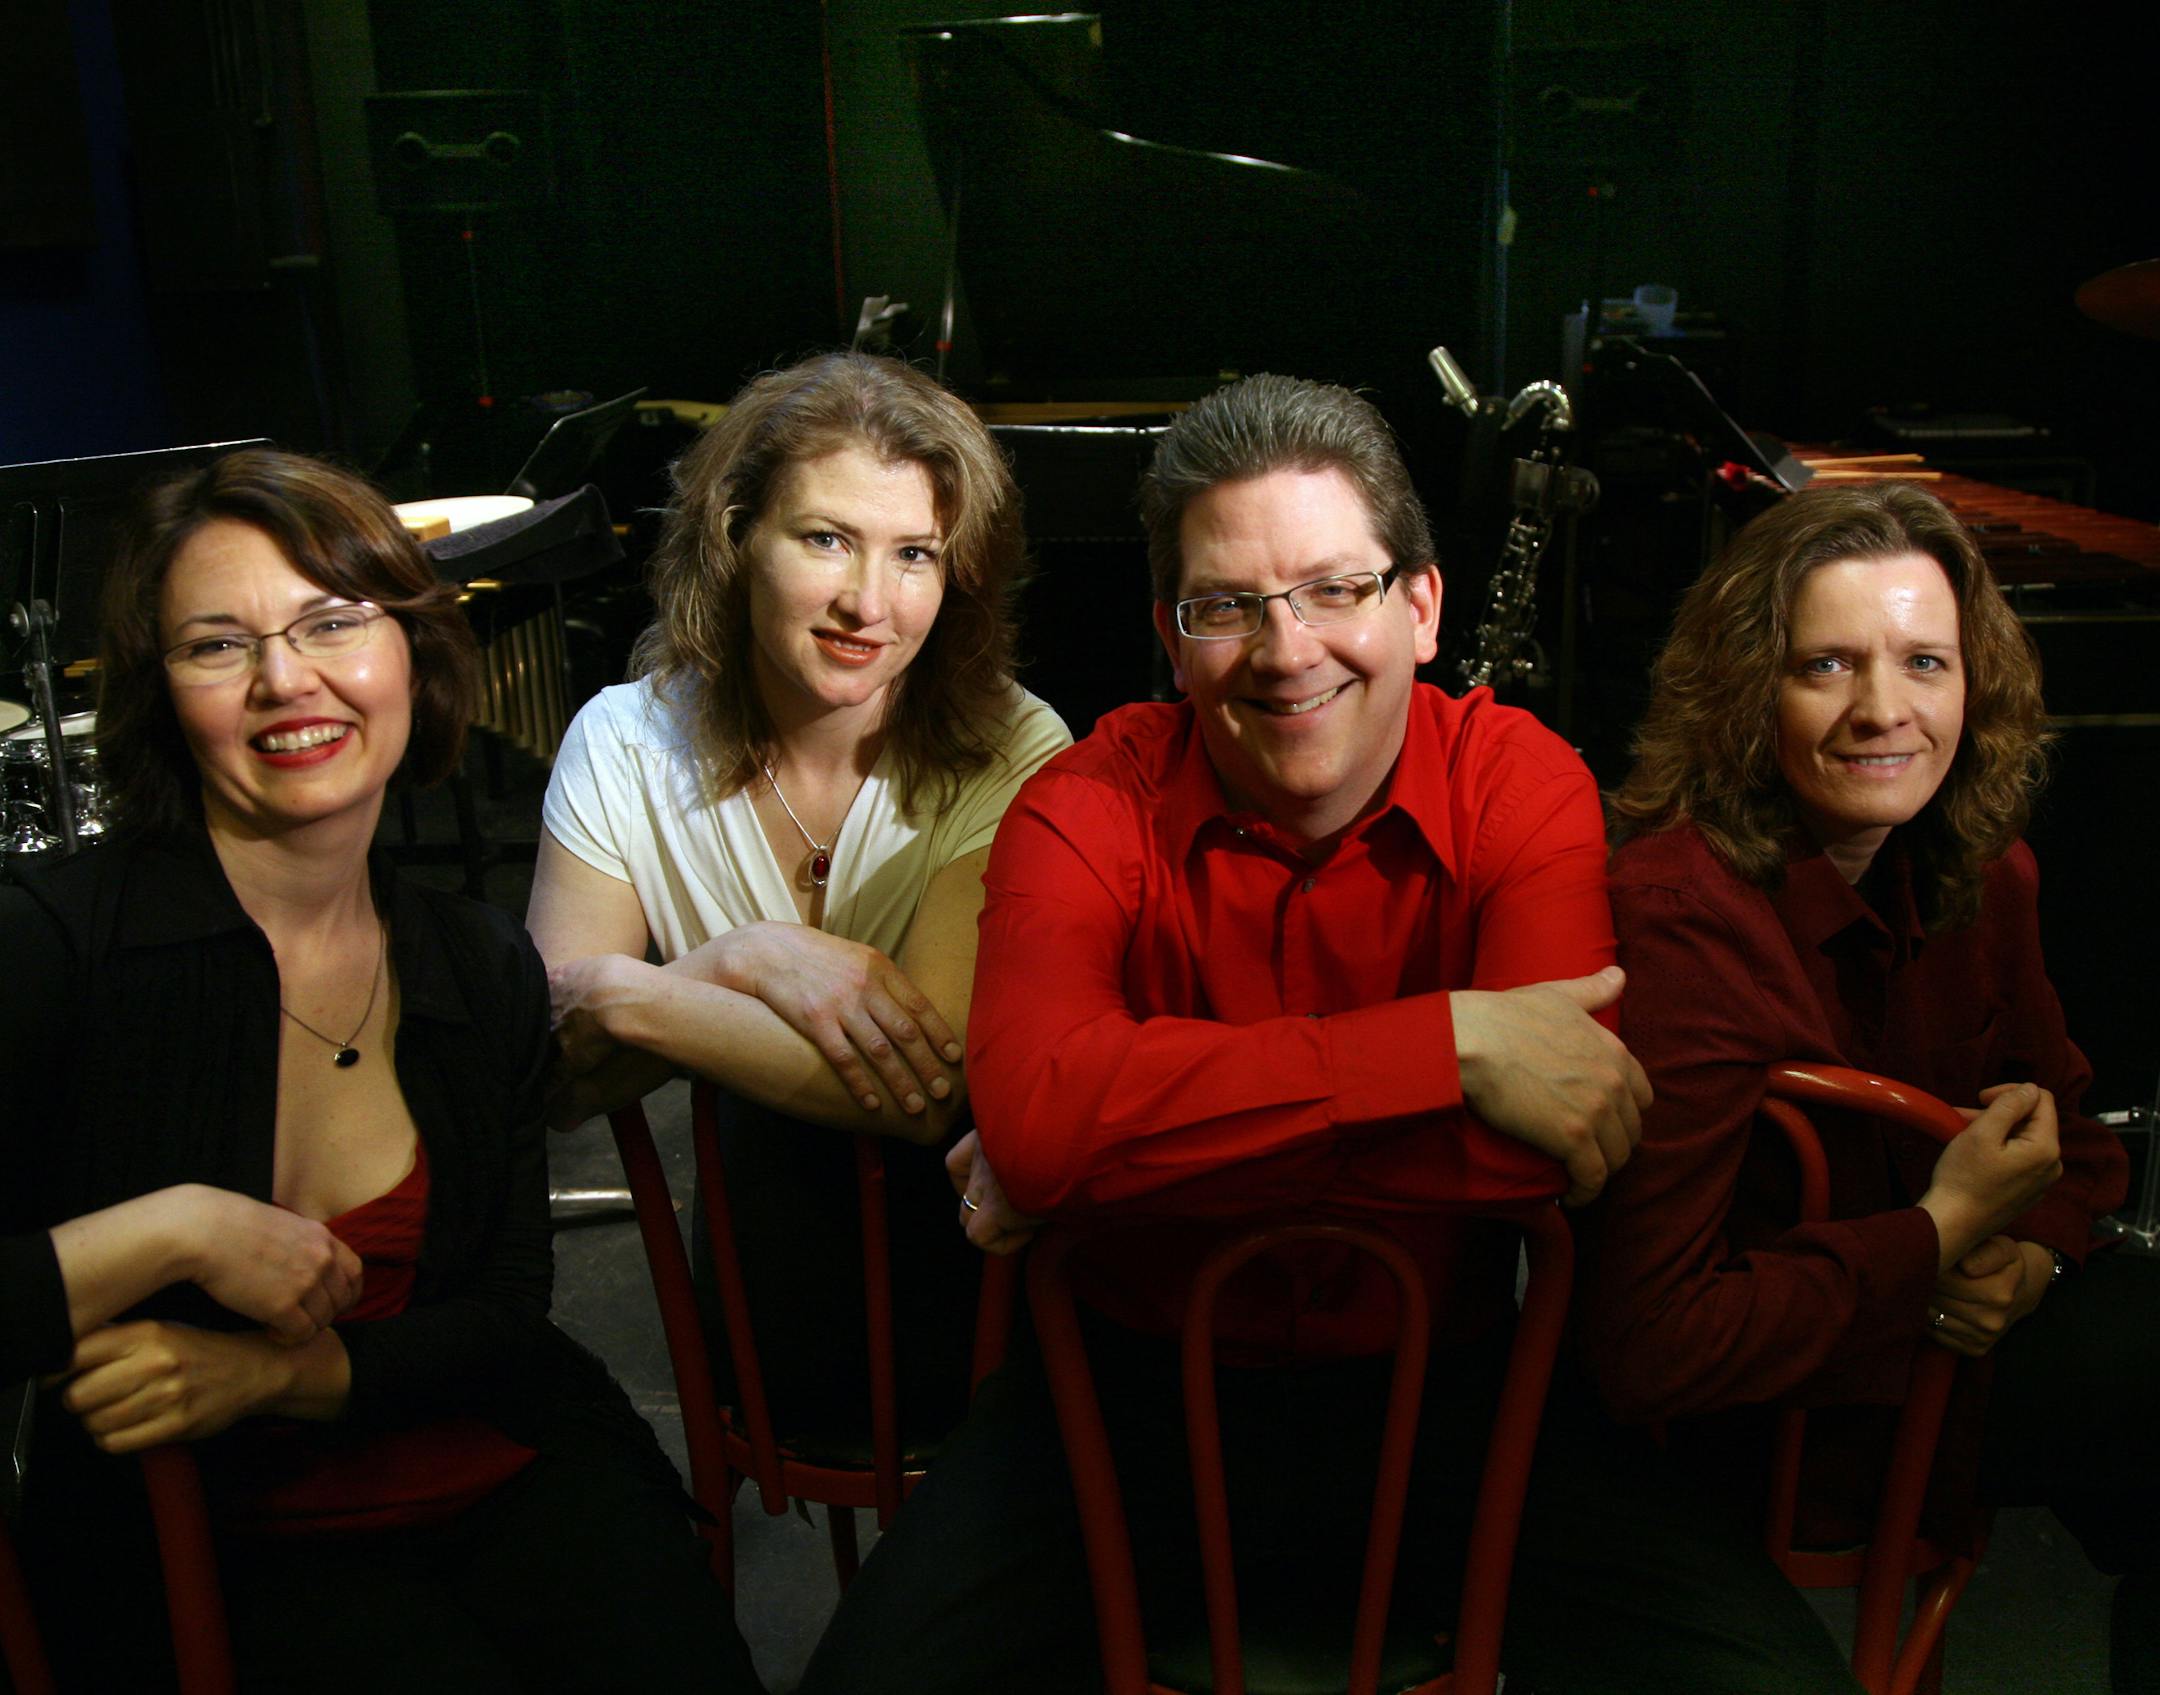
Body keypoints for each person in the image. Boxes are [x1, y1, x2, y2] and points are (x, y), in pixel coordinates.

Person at [800, 373, 1868, 1695]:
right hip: (1116, 1401)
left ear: (1420, 606)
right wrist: (1453, 1048)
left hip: (1460, 1402)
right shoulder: (1082, 801)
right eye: (1226, 606)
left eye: (1332, 588)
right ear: (1169, 635)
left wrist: (1107, 1149)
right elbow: (1037, 1115)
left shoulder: (1519, 779)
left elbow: (1541, 1156)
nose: (1285, 647)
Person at [0, 449, 757, 1692]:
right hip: (211, 1551)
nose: (285, 680)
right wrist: (168, 1235)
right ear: (158, 695)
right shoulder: (50, 949)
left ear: (411, 652)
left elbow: (507, 1321)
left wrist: (274, 1373)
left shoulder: (472, 960)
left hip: (496, 1470)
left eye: (332, 623)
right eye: (216, 645)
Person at [1592, 481, 2156, 1689]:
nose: (1884, 712)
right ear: (1750, 694)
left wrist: (2031, 1254)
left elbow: (2075, 1141)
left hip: (1931, 1371)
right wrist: (1943, 1232)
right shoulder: (1680, 913)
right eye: (1828, 667)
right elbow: (1652, 1347)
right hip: (1754, 1427)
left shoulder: (1986, 872)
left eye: (1927, 664)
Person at [526, 352, 1069, 1440]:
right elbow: (540, 1075)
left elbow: (925, 1095)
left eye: (915, 554)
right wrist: (741, 961)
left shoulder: (1014, 745)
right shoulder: (624, 742)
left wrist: (639, 998)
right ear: (734, 539)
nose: (869, 601)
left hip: (976, 1284)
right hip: (758, 1292)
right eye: (826, 539)